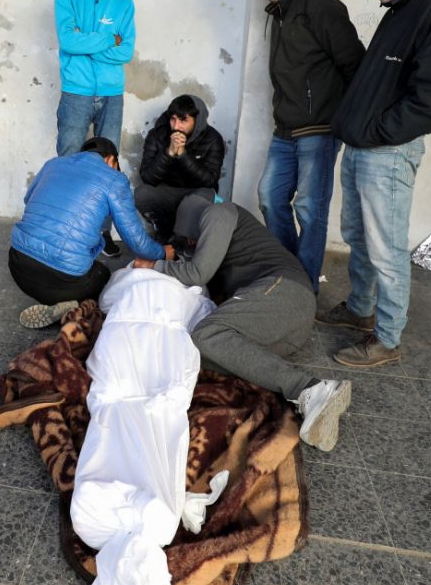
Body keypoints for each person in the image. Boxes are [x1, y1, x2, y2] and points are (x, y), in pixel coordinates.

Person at [319, 0, 431, 368]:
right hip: (363, 147)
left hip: (386, 152)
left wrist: (378, 131)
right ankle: (360, 310)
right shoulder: (401, 10)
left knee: (386, 249)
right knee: (359, 237)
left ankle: (386, 338)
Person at [135, 192, 351, 452]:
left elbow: (198, 273)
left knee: (206, 334)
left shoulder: (219, 213)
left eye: (191, 237)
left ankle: (310, 389)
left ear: (195, 223)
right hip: (285, 324)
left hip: (285, 291)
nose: (192, 243)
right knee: (202, 354)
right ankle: (310, 395)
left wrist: (155, 267)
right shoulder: (219, 231)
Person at [250, 0, 364, 292]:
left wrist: (345, 116)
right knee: (270, 197)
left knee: (309, 208)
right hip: (285, 127)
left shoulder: (321, 5)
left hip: (320, 127)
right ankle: (289, 274)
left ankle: (304, 286)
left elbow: (354, 62)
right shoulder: (280, 12)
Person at [10, 137, 172, 329]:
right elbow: (137, 241)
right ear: (111, 160)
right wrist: (162, 252)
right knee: (102, 275)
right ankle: (76, 305)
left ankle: (63, 303)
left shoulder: (53, 164)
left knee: (78, 264)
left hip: (18, 265)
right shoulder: (114, 179)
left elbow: (28, 199)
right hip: (64, 279)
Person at [54, 0, 136, 256]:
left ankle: (102, 232)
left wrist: (87, 43)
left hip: (112, 93)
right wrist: (107, 39)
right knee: (69, 158)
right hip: (76, 90)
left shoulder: (125, 5)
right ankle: (65, 225)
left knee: (108, 163)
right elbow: (68, 41)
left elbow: (126, 51)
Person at [135, 94, 225, 240]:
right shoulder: (157, 135)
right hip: (168, 192)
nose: (176, 126)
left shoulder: (213, 139)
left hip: (196, 193)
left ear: (197, 120)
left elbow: (209, 181)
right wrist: (168, 153)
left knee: (205, 195)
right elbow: (147, 177)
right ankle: (165, 231)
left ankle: (188, 237)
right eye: (173, 119)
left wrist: (183, 155)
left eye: (183, 120)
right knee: (142, 193)